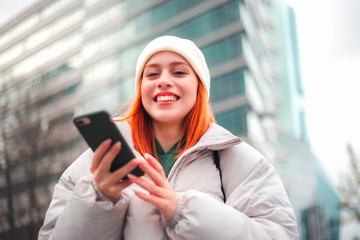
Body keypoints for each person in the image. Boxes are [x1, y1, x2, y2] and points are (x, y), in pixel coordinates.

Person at [39, 36, 298, 239]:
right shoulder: (95, 163)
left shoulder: (243, 163)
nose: (163, 81)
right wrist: (98, 199)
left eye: (179, 72)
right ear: (141, 89)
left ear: (200, 87)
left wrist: (183, 212)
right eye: (152, 74)